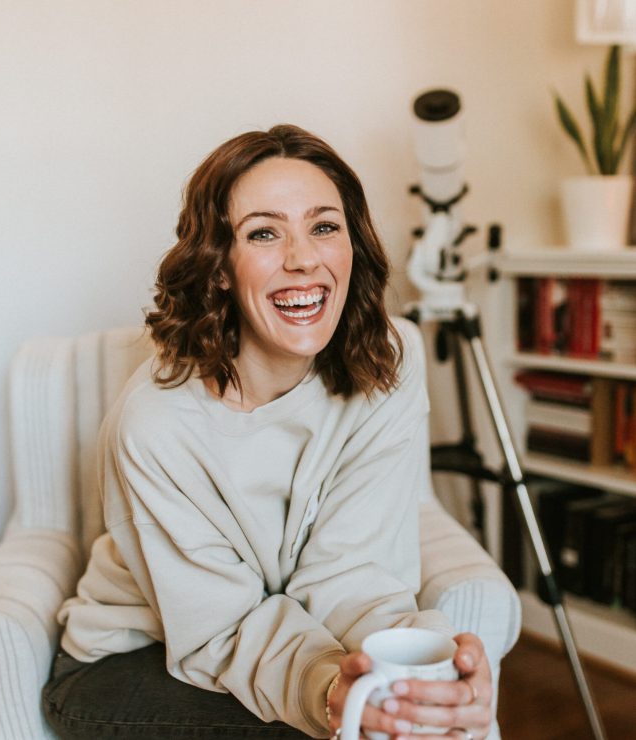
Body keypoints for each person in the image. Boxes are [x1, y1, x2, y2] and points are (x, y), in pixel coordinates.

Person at [42, 124, 493, 740]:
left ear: (352, 246)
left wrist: (425, 672)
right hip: (134, 660)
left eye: (324, 226)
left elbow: (355, 569)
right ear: (220, 268)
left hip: (271, 645)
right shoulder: (156, 422)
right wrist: (335, 693)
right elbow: (219, 630)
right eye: (263, 232)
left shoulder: (389, 361)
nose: (303, 257)